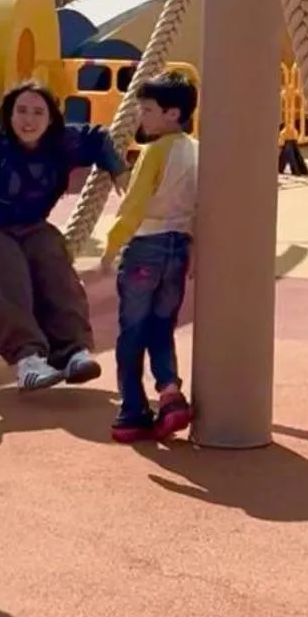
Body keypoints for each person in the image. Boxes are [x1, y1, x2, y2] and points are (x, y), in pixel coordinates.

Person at [0, 81, 123, 392]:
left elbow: (98, 137)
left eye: (38, 113)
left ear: (51, 118)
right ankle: (27, 358)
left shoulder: (62, 142)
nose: (29, 120)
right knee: (5, 269)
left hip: (30, 223)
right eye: (22, 111)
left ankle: (72, 350)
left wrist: (117, 167)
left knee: (53, 260)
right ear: (9, 114)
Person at [100, 71, 199, 443]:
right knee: (161, 325)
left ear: (172, 114)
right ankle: (169, 390)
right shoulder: (195, 150)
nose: (142, 116)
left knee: (132, 330)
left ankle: (131, 410)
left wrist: (113, 244)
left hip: (146, 245)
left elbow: (136, 202)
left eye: (148, 109)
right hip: (179, 244)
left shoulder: (154, 150)